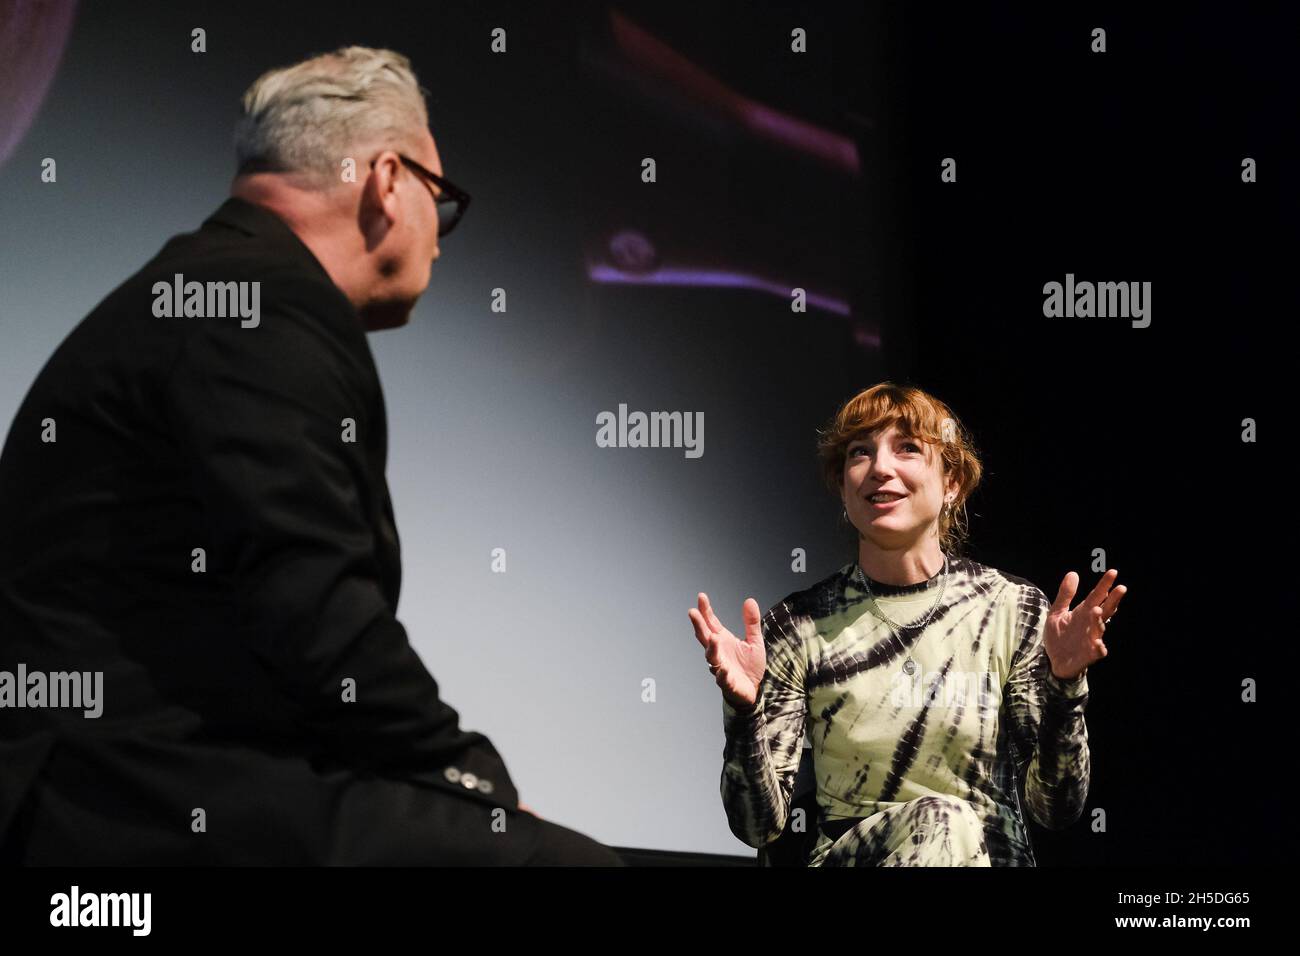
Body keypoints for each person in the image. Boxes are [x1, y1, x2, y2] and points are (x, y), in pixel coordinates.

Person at [0, 46, 621, 865]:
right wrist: (470, 780)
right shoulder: (260, 303)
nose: (440, 240)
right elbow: (316, 615)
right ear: (388, 181)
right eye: (445, 202)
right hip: (121, 795)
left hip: (120, 774)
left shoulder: (211, 287)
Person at [689, 382, 1127, 866]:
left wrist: (1066, 688)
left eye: (908, 449)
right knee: (944, 821)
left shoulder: (1010, 609)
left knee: (952, 825)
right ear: (843, 485)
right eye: (860, 452)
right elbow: (757, 825)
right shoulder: (800, 625)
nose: (880, 468)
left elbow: (1056, 808)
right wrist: (743, 712)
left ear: (952, 482)